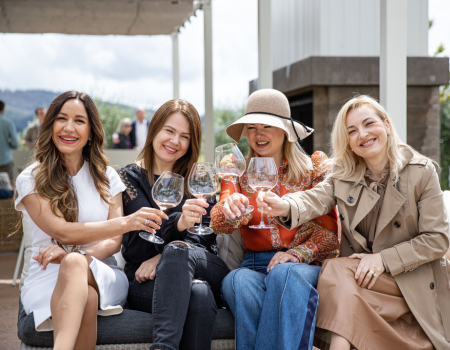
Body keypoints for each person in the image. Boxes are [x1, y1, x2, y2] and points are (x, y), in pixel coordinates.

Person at [258, 95, 450, 350]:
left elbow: (437, 239)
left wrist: (382, 259)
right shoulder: (344, 174)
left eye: (369, 124)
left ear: (387, 124)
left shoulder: (421, 171)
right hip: (364, 281)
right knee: (339, 272)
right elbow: (313, 199)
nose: (363, 134)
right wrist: (284, 205)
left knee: (337, 270)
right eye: (352, 131)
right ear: (347, 141)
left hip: (410, 281)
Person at [15, 91, 166, 350]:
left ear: (91, 132)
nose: (69, 128)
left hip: (101, 270)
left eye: (79, 121)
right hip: (46, 274)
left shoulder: (107, 177)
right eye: (61, 119)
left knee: (75, 263)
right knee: (87, 298)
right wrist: (129, 221)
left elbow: (113, 243)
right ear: (50, 125)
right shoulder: (31, 178)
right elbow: (62, 231)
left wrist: (69, 255)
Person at [210, 89, 340, 350]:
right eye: (252, 127)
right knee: (235, 281)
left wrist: (297, 254)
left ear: (286, 132)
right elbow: (218, 222)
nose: (259, 134)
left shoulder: (314, 169)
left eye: (267, 126)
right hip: (253, 263)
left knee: (285, 273)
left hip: (301, 265)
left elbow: (331, 237)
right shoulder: (236, 170)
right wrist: (230, 208)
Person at [119, 99, 230, 350]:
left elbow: (205, 236)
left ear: (192, 143)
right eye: (169, 131)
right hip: (142, 279)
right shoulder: (128, 178)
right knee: (199, 295)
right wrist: (178, 223)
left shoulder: (199, 179)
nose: (174, 141)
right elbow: (137, 239)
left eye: (184, 136)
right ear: (154, 129)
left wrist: (164, 258)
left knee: (178, 252)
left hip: (201, 265)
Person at [0, 99, 19, 183]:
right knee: (7, 188)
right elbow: (15, 143)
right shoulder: (8, 123)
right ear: (3, 109)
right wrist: (8, 143)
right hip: (5, 160)